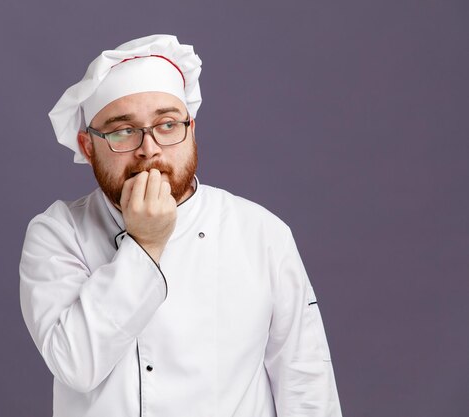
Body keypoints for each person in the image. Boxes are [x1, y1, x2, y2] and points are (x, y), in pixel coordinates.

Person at [19, 34, 342, 417]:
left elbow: (305, 385)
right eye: (123, 130)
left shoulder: (261, 233)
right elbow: (76, 365)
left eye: (167, 125)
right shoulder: (58, 233)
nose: (149, 149)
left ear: (191, 129)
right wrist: (145, 245)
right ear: (88, 147)